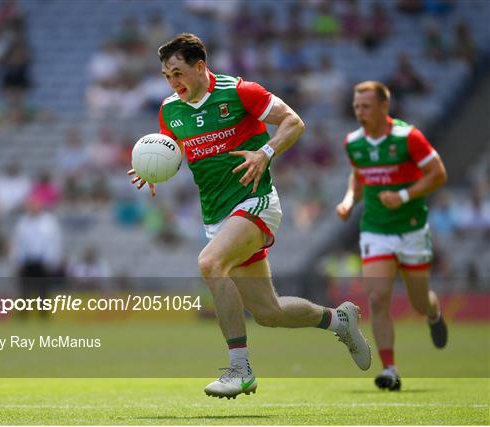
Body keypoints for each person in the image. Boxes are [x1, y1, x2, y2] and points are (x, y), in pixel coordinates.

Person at [128, 33, 371, 399]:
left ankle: (240, 369)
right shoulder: (170, 111)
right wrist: (153, 168)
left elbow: (293, 122)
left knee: (210, 264)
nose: (173, 82)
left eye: (178, 73)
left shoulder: (241, 92)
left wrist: (265, 153)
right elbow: (173, 150)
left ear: (199, 67)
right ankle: (340, 320)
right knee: (268, 312)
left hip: (256, 202)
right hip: (218, 216)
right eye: (166, 76)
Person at [336, 81, 448, 391]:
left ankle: (434, 312)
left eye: (366, 106)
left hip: (411, 227)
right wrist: (348, 201)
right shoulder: (354, 142)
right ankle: (390, 369)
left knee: (419, 300)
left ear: (384, 107)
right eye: (357, 106)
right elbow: (358, 175)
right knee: (377, 297)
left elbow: (438, 174)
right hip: (375, 229)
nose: (360, 112)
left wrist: (403, 195)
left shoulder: (408, 137)